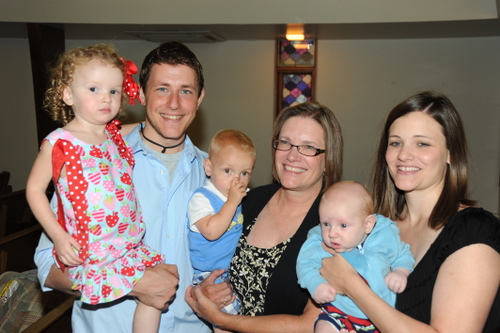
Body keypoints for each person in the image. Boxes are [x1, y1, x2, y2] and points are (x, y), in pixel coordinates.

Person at [34, 41, 212, 333]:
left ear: (200, 98)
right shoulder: (91, 161)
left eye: (186, 91)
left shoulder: (214, 176)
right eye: (162, 89)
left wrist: (223, 286)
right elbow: (49, 269)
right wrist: (133, 284)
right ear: (140, 93)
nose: (174, 103)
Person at [319, 91, 500, 333]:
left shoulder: (474, 230)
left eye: (422, 143)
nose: (404, 155)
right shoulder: (375, 228)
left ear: (450, 153)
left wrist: (352, 285)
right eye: (396, 143)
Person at [26, 44, 165, 333]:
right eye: (93, 89)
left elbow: (143, 127)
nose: (106, 98)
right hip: (95, 251)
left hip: (128, 244)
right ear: (67, 94)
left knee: (155, 298)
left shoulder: (113, 133)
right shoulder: (62, 142)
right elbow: (34, 190)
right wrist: (59, 237)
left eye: (114, 91)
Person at [186, 101, 344, 332]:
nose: (292, 155)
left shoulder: (336, 224)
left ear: (328, 160)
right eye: (286, 142)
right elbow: (204, 255)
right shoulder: (248, 201)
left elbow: (310, 324)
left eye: (308, 147)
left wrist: (222, 320)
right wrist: (205, 292)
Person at [297, 181, 414, 333]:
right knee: (323, 328)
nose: (332, 233)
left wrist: (400, 272)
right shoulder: (318, 242)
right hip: (338, 312)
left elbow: (403, 254)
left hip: (378, 317)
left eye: (343, 226)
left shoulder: (384, 235)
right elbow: (305, 264)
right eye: (326, 224)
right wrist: (316, 285)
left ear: (368, 224)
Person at [188, 129, 256, 333]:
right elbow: (211, 231)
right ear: (208, 167)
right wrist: (233, 202)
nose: (237, 180)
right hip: (210, 274)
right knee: (226, 323)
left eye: (244, 173)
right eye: (228, 171)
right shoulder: (202, 198)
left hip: (230, 273)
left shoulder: (241, 196)